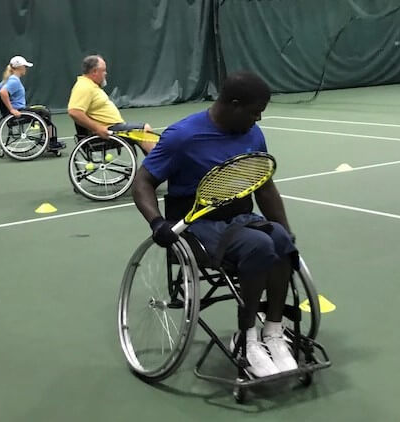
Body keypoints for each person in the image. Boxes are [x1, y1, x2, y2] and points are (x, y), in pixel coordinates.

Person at [132, 71, 299, 378]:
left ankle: (273, 333)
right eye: (254, 111)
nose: (259, 118)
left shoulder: (252, 134)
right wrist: (156, 223)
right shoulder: (183, 136)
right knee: (260, 246)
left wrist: (285, 228)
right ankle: (248, 340)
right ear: (233, 105)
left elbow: (264, 187)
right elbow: (142, 182)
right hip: (196, 225)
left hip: (240, 217)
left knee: (281, 242)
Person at [67, 55, 156, 153]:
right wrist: (98, 128)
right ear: (94, 72)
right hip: (107, 131)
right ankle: (158, 166)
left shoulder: (90, 85)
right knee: (144, 130)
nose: (106, 73)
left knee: (142, 133)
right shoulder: (84, 87)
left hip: (114, 127)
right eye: (103, 70)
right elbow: (74, 112)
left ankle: (154, 164)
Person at [0, 56, 65, 150]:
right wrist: (11, 109)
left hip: (13, 112)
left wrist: (7, 105)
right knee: (45, 113)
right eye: (25, 66)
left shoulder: (8, 79)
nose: (26, 69)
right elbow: (2, 92)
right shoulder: (14, 80)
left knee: (41, 110)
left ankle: (48, 140)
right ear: (20, 67)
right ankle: (51, 142)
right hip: (18, 113)